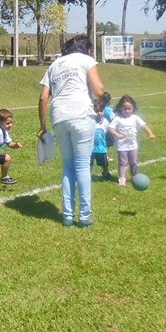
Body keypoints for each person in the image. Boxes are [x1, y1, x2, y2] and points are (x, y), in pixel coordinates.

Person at [37, 34, 104, 227]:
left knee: (68, 165)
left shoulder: (54, 65)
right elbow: (98, 90)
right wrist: (105, 98)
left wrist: (42, 127)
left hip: (59, 116)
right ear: (87, 48)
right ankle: (84, 216)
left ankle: (67, 215)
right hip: (81, 114)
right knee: (82, 165)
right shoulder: (86, 59)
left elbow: (43, 98)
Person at [107, 95, 156, 187]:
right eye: (125, 109)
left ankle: (134, 176)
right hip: (121, 146)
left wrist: (150, 133)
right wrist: (117, 135)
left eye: (130, 109)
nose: (127, 111)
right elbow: (110, 128)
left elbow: (143, 125)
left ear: (133, 108)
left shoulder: (135, 118)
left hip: (133, 145)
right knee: (122, 162)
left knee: (133, 162)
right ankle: (122, 179)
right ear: (120, 108)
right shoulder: (118, 119)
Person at [91, 100, 112, 180]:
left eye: (101, 111)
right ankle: (86, 175)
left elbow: (109, 132)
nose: (99, 113)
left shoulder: (106, 122)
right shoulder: (90, 122)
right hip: (90, 149)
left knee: (104, 163)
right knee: (89, 163)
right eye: (96, 111)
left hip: (101, 148)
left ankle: (106, 172)